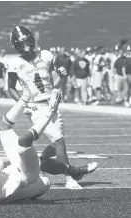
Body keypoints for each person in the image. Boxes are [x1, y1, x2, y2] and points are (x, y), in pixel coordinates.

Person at [7, 25, 96, 189]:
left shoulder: (46, 55)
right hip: (34, 107)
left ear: (32, 39)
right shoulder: (15, 63)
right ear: (16, 45)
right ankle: (71, 176)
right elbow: (10, 87)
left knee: (56, 144)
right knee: (59, 140)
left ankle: (39, 164)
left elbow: (55, 83)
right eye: (21, 43)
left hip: (52, 103)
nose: (25, 45)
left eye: (27, 41)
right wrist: (22, 104)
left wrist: (62, 76)